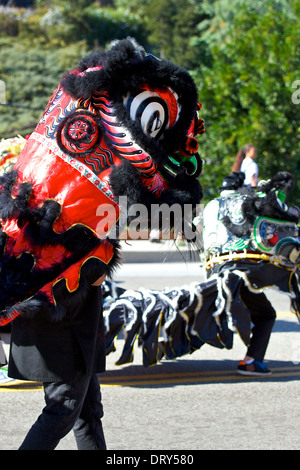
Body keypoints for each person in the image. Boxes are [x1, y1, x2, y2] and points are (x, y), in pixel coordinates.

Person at [10, 274, 108, 450]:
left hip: (43, 322)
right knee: (61, 411)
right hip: (68, 332)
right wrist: (109, 252)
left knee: (87, 412)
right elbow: (96, 276)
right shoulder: (86, 244)